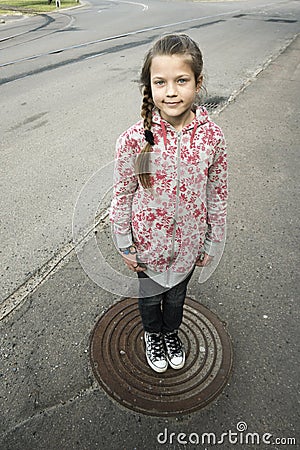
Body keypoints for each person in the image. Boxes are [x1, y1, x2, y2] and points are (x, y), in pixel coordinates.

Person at [110, 34, 227, 373]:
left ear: (198, 82)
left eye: (181, 81)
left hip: (189, 245)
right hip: (147, 247)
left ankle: (171, 332)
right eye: (160, 82)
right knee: (149, 299)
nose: (171, 91)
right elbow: (122, 193)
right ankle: (152, 334)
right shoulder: (133, 139)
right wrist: (124, 242)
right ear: (149, 85)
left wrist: (212, 241)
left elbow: (217, 195)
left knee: (176, 298)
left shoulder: (212, 138)